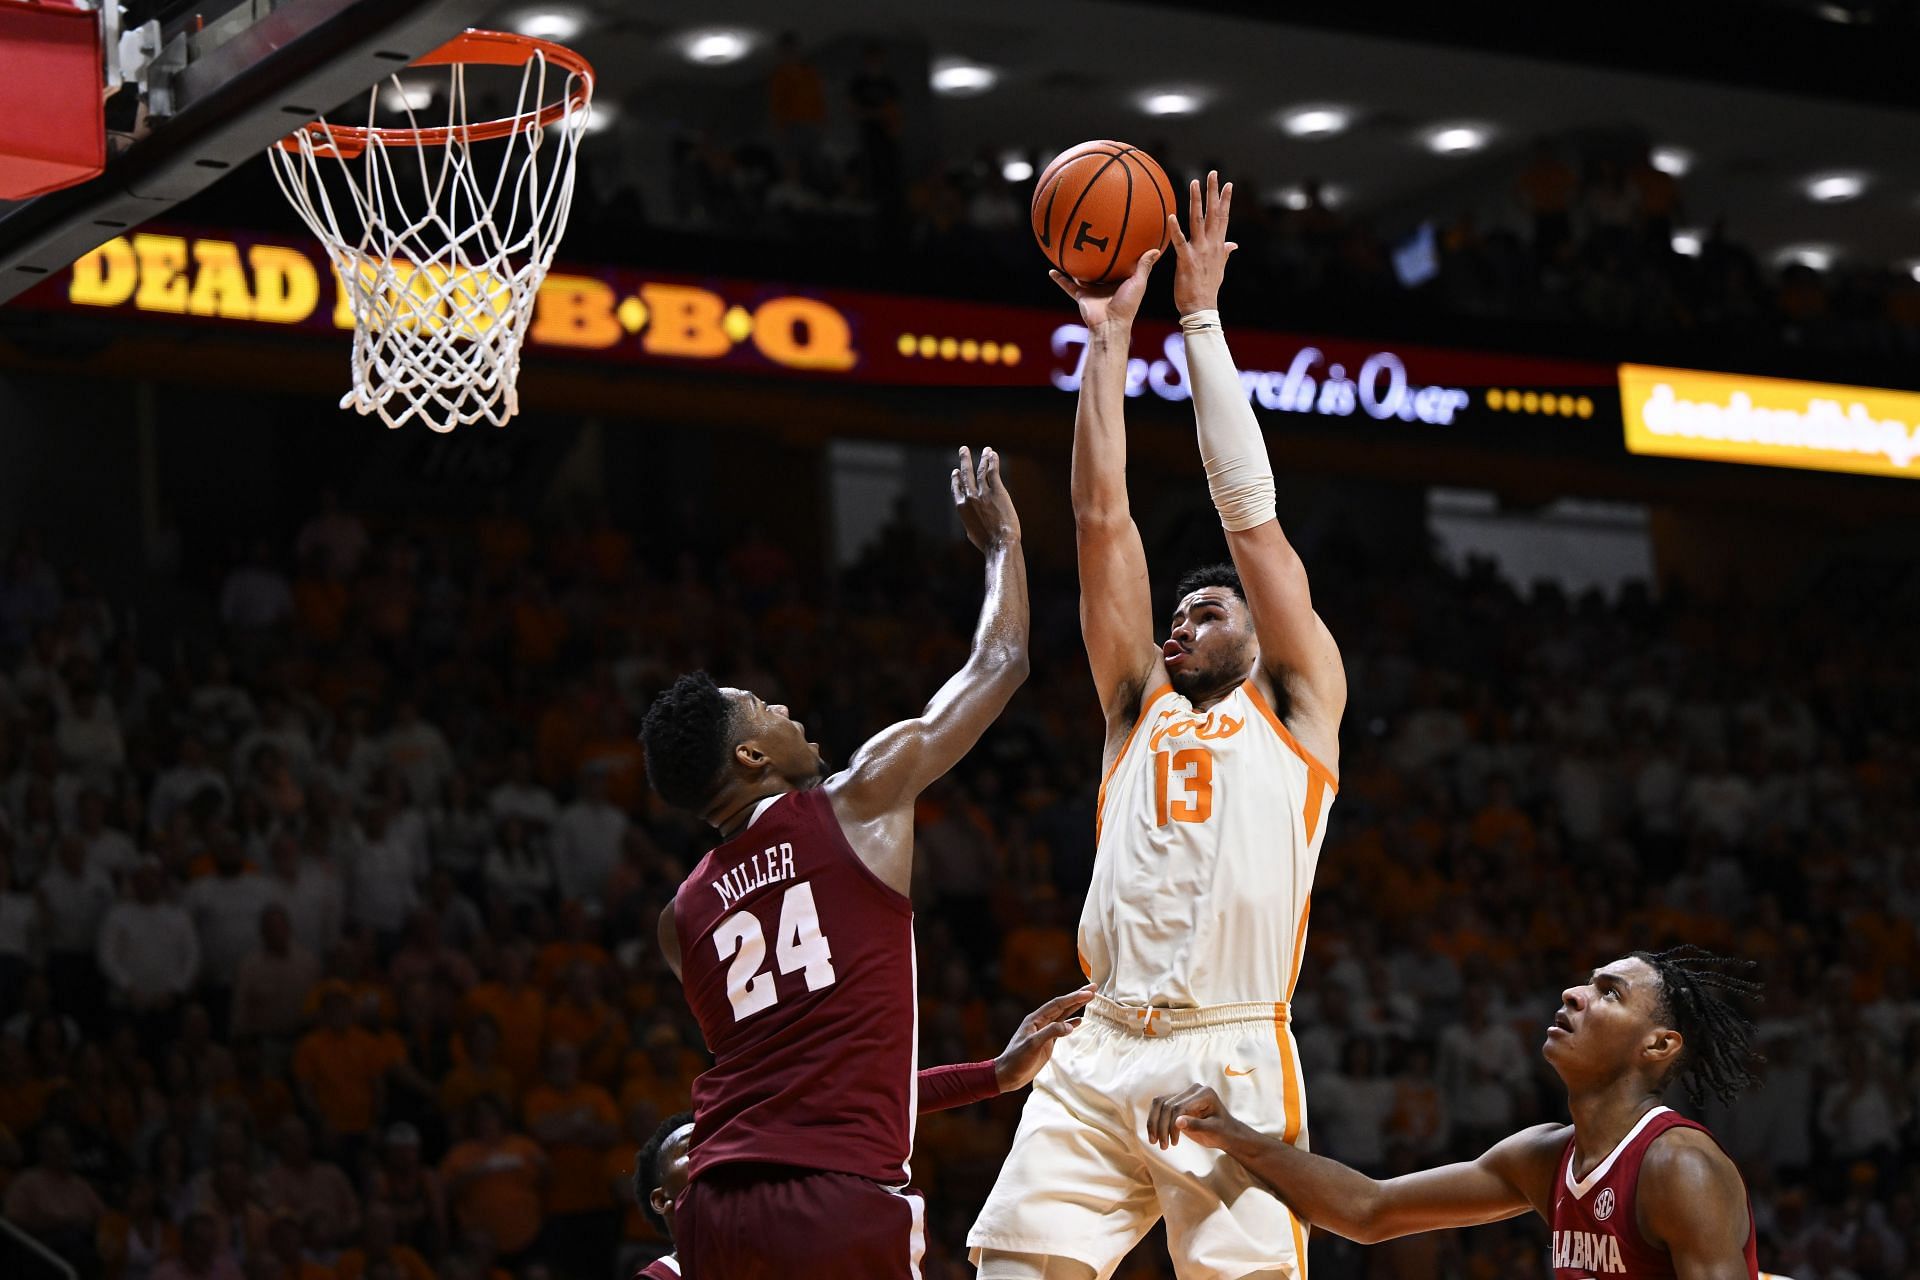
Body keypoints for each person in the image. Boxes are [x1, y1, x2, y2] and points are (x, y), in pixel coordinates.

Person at [970, 173, 1347, 1280]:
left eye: (1208, 606)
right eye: (1175, 612)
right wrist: (1107, 339)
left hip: (1229, 1046)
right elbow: (1099, 520)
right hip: (1099, 1041)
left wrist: (1197, 321)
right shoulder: (1134, 707)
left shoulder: (1296, 704)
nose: (1182, 621)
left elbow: (1256, 524)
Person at [642, 445, 1027, 1278]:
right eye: (761, 708)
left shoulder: (682, 919)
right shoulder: (859, 801)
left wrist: (992, 1074)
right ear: (750, 756)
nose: (781, 706)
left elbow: (804, 1075)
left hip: (714, 1205)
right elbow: (999, 665)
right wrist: (1002, 547)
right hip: (834, 1200)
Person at [1146, 948, 1766, 1279]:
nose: (1574, 993)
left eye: (1609, 992)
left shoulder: (1679, 1168)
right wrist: (1232, 1135)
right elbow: (1371, 1209)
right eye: (1586, 982)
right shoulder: (1543, 1157)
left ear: (1658, 1045)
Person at [630, 987, 1098, 1280]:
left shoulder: (780, 1228)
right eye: (693, 1146)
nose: (713, 1148)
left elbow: (863, 1100)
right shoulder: (662, 1276)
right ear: (661, 1199)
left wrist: (995, 1074)